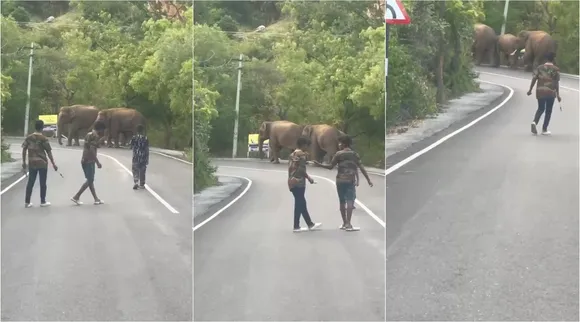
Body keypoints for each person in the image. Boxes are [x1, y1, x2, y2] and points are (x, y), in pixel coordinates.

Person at [314, 135, 373, 231]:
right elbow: (361, 168)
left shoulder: (338, 154)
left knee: (342, 201)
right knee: (350, 201)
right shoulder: (354, 154)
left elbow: (330, 167)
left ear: (344, 144)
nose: (339, 144)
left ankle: (344, 222)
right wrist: (368, 180)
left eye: (340, 143)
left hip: (340, 181)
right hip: (350, 181)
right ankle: (349, 224)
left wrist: (319, 164)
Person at [288, 136, 322, 232]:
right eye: (307, 145)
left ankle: (309, 224)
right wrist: (308, 178)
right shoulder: (302, 155)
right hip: (299, 182)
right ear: (303, 145)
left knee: (301, 203)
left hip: (291, 181)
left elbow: (294, 168)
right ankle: (297, 226)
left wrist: (308, 178)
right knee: (300, 203)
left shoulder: (293, 154)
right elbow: (302, 170)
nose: (308, 148)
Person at [22, 120, 58, 208]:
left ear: (35, 127)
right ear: (42, 128)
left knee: (31, 182)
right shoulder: (44, 139)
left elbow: (24, 149)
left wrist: (23, 162)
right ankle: (43, 201)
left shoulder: (29, 138)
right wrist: (53, 164)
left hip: (32, 162)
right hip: (42, 163)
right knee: (43, 182)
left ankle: (27, 202)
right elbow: (49, 152)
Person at [71, 121, 106, 205]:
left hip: (84, 159)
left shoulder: (89, 134)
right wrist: (97, 162)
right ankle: (76, 196)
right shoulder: (95, 136)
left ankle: (96, 199)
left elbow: (89, 146)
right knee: (90, 180)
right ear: (100, 129)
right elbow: (92, 149)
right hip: (89, 160)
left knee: (90, 180)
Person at [527, 52, 561, 135]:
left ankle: (534, 122)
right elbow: (556, 83)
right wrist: (558, 95)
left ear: (546, 59)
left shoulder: (539, 68)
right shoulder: (556, 69)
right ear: (553, 59)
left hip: (540, 91)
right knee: (548, 111)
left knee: (541, 108)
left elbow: (534, 79)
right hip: (550, 92)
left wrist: (530, 89)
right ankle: (544, 129)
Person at [130, 124, 149, 190]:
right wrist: (147, 159)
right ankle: (142, 184)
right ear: (142, 131)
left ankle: (136, 182)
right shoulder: (145, 138)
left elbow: (131, 146)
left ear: (137, 130)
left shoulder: (134, 138)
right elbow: (147, 149)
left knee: (135, 169)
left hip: (136, 156)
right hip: (143, 157)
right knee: (142, 170)